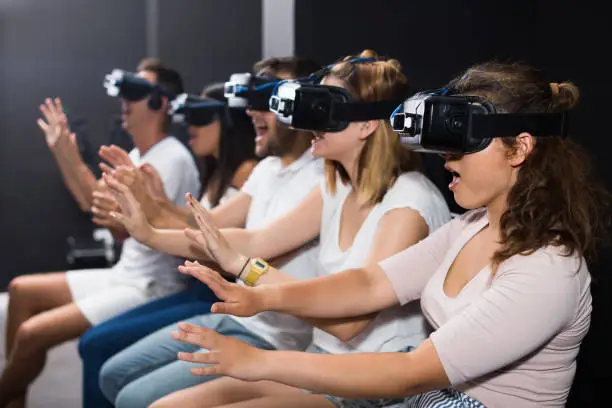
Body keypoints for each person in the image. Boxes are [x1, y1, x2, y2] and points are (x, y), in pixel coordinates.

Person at [162, 62, 611, 408]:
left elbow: (411, 371)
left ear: (521, 147)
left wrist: (257, 362)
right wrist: (256, 284)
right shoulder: (468, 228)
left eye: (462, 145)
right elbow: (370, 284)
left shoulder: (548, 268)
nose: (446, 160)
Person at [115, 49, 451, 408]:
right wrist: (149, 234)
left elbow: (348, 324)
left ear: (367, 125)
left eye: (324, 108)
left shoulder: (408, 203)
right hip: (320, 362)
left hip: (370, 386)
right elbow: (256, 239)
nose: (308, 122)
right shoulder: (336, 187)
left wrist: (248, 274)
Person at [96, 56, 325, 408]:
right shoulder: (266, 170)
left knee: (132, 398)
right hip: (235, 318)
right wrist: (150, 204)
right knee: (112, 374)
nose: (251, 112)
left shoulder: (321, 177)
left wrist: (150, 225)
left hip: (273, 338)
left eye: (267, 102)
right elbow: (208, 223)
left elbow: (251, 246)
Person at [0, 58, 200, 408]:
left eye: (134, 94)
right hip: (124, 274)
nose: (124, 102)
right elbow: (93, 205)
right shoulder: (138, 154)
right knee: (20, 291)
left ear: (160, 103)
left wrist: (75, 162)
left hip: (151, 286)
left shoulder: (171, 158)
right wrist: (63, 152)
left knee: (32, 333)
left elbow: (121, 223)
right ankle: (14, 396)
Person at [76, 81, 258, 408]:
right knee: (96, 348)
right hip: (199, 291)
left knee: (97, 346)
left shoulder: (249, 174)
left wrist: (147, 204)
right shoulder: (218, 173)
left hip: (214, 296)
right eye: (188, 118)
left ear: (230, 123)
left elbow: (218, 247)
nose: (190, 127)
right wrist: (153, 202)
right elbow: (196, 226)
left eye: (202, 119)